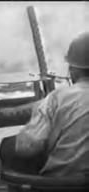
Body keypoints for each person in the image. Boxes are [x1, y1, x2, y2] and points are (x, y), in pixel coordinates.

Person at [15, 32, 89, 177]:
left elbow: (27, 148)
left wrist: (37, 115)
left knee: (8, 147)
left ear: (73, 69)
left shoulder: (58, 98)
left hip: (62, 182)